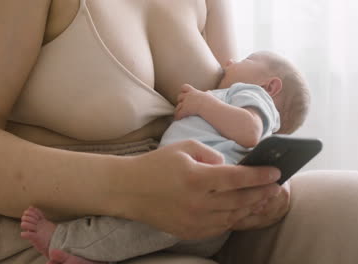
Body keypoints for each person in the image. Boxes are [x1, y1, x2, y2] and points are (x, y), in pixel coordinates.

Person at [0, 0, 358, 264]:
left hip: (199, 224)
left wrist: (254, 190)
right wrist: (130, 187)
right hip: (46, 229)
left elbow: (232, 108)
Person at [19, 50, 310, 264]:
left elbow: (249, 131)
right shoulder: (242, 106)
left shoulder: (251, 96)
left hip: (195, 198)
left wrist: (202, 103)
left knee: (127, 228)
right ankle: (94, 259)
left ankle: (66, 241)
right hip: (207, 222)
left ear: (271, 86)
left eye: (247, 59)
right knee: (137, 240)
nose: (230, 63)